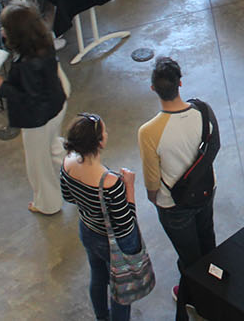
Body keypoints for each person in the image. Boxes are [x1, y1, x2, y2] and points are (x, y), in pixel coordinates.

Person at [137, 57, 218, 291]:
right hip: (205, 189)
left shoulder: (148, 132)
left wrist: (154, 198)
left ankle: (195, 295)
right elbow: (214, 147)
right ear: (180, 83)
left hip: (173, 203)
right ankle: (216, 285)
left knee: (189, 254)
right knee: (207, 238)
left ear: (154, 89)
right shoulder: (203, 111)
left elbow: (152, 177)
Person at [0, 1, 69, 215]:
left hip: (37, 118)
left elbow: (27, 97)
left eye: (5, 28)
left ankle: (48, 203)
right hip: (57, 104)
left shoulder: (26, 65)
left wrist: (1, 85)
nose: (2, 31)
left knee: (38, 164)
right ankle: (81, 173)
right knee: (54, 146)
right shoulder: (45, 43)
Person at [60, 113, 141, 321]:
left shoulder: (67, 164)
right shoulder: (110, 182)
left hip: (88, 231)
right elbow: (126, 224)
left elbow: (68, 196)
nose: (107, 133)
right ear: (99, 142)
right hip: (112, 241)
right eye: (104, 131)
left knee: (97, 276)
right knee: (121, 290)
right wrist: (129, 186)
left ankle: (102, 317)